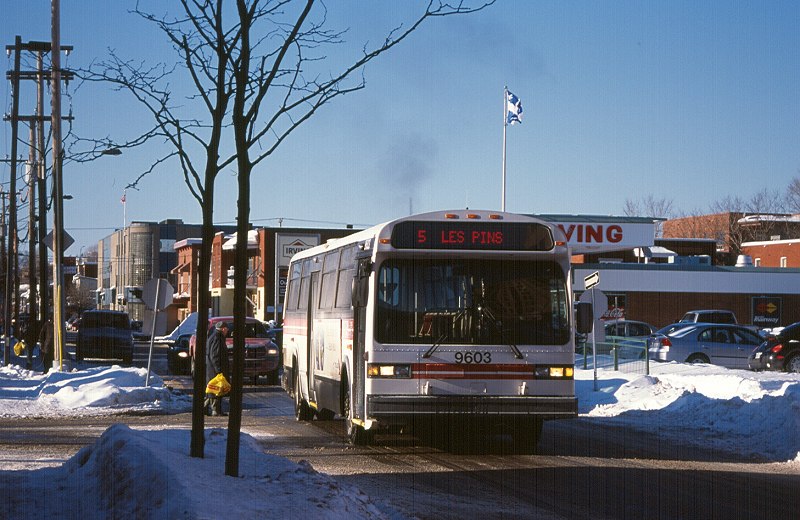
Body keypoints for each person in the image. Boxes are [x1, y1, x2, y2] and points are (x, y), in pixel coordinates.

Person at [205, 320, 230, 416]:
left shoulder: (215, 336)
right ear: (223, 329)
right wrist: (219, 369)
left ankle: (204, 409)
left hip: (212, 368)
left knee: (212, 389)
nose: (227, 331)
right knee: (216, 389)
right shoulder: (217, 338)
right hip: (215, 369)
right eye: (227, 329)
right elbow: (215, 355)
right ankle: (216, 410)